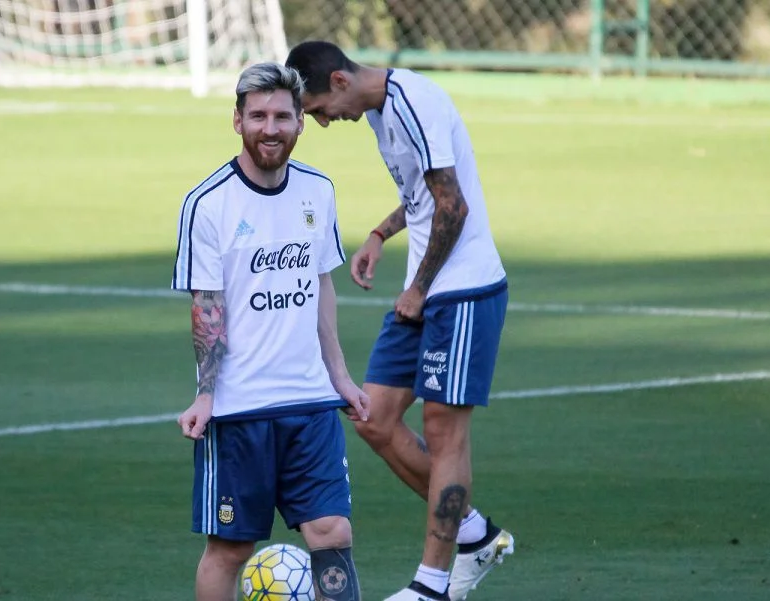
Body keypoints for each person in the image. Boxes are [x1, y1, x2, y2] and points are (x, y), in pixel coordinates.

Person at [286, 41, 514, 601]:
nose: (320, 122)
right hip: (427, 288)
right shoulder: (381, 112)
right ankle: (476, 533)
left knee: (443, 428)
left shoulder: (416, 102)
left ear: (339, 81)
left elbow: (453, 206)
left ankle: (432, 585)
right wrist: (380, 234)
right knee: (373, 417)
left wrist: (416, 288)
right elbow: (423, 196)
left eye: (316, 109)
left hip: (461, 291)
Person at [173, 62, 368, 601]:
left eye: (283, 115)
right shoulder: (208, 204)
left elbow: (320, 286)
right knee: (229, 550)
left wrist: (341, 378)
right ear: (237, 121)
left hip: (309, 403)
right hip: (239, 410)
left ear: (301, 122)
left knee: (333, 533)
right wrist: (207, 395)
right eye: (257, 115)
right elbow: (207, 305)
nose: (270, 128)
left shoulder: (317, 191)